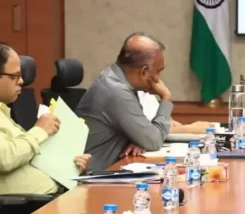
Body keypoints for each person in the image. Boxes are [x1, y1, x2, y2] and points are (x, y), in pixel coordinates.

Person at [0, 43, 90, 194]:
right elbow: (5, 159)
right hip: (29, 205)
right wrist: (39, 130)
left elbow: (25, 158)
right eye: (15, 76)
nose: (21, 81)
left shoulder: (4, 112)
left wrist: (71, 167)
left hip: (56, 194)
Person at [77, 33, 173, 171]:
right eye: (158, 71)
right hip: (93, 178)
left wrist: (139, 140)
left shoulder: (114, 79)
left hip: (113, 169)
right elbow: (154, 141)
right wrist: (166, 97)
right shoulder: (116, 91)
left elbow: (148, 137)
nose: (159, 78)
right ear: (144, 72)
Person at [137, 91, 214, 134]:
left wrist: (174, 124)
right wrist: (187, 129)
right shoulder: (131, 96)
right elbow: (146, 135)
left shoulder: (145, 92)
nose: (158, 78)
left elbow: (166, 123)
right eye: (157, 72)